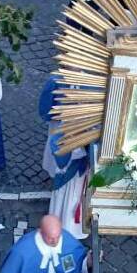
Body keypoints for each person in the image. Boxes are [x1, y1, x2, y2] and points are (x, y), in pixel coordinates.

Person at [0, 215, 91, 273]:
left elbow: (79, 265)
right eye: (50, 238)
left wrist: (89, 262)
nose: (55, 241)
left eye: (57, 237)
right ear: (40, 232)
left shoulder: (68, 243)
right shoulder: (22, 252)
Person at [39, 76, 90, 240]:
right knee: (64, 196)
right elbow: (45, 111)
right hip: (67, 149)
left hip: (81, 156)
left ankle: (75, 227)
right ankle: (60, 225)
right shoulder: (55, 81)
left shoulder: (89, 84)